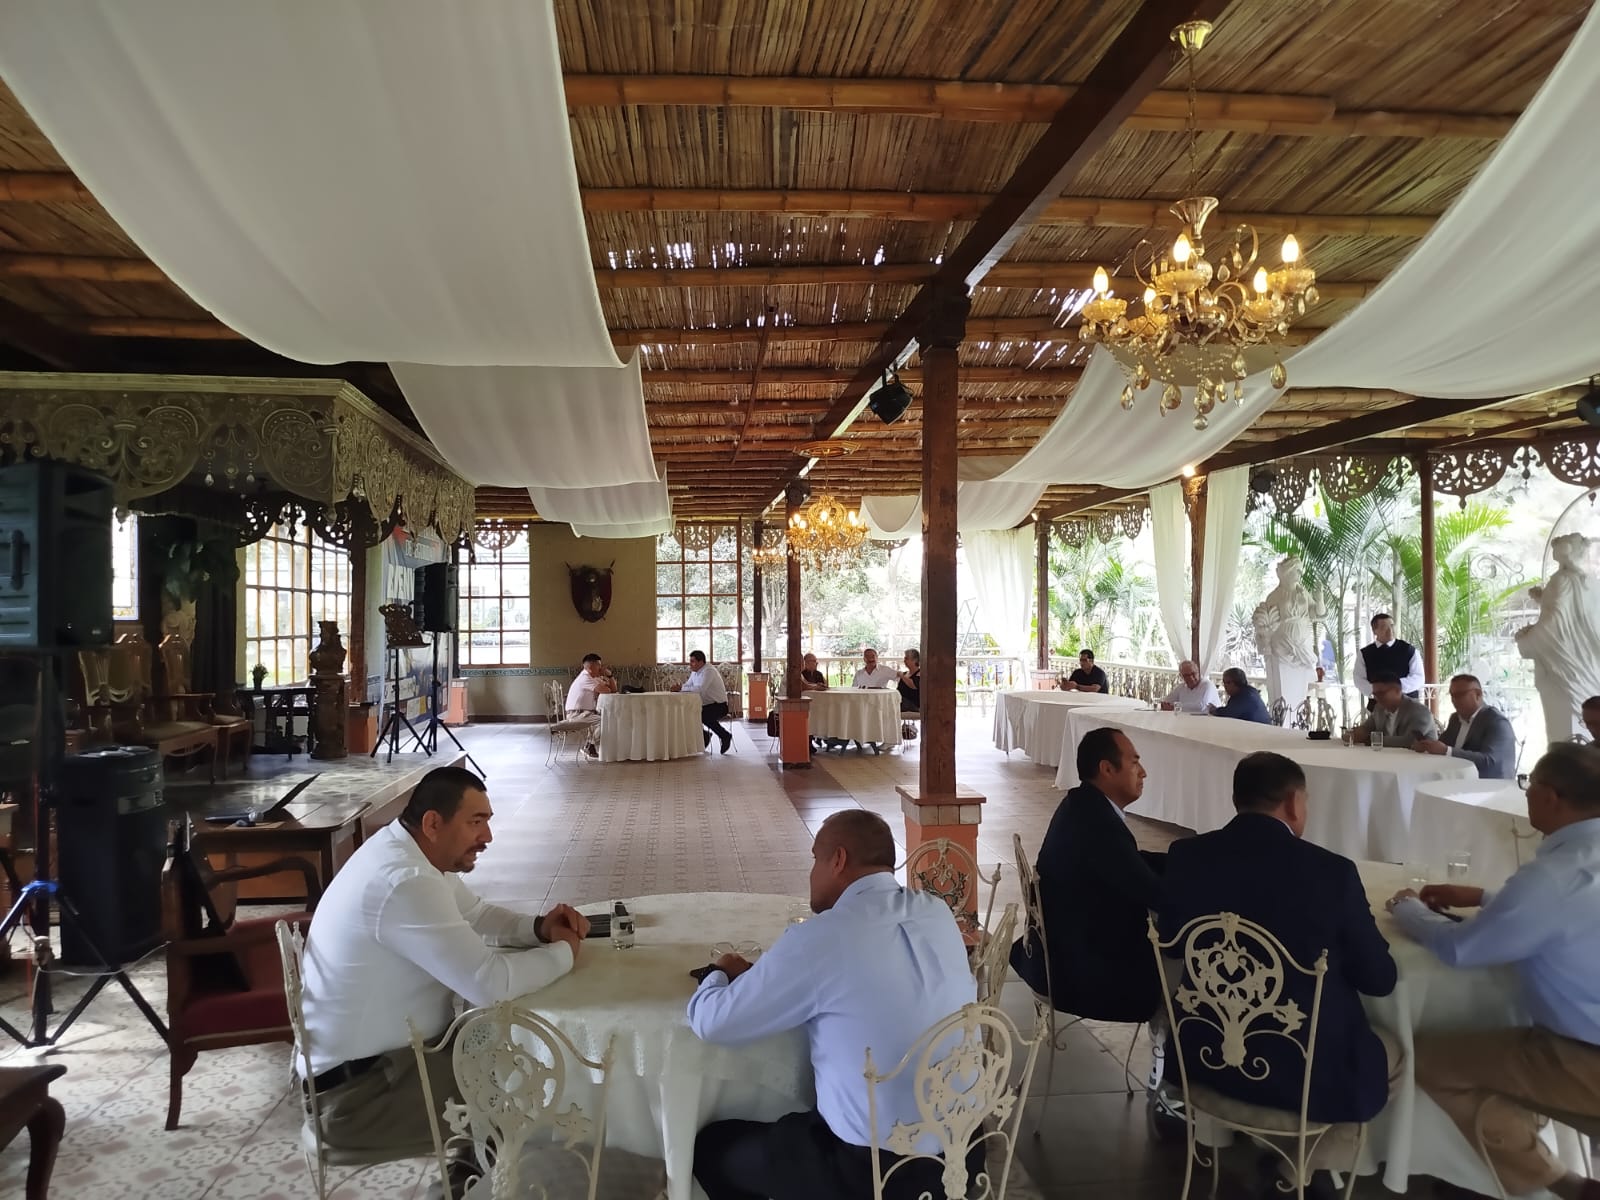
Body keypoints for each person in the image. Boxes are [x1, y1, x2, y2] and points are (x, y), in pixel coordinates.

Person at [298, 767, 589, 1163]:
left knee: (513, 1059)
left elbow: (477, 914)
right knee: (537, 1092)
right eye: (476, 822)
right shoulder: (404, 881)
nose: (487, 836)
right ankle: (488, 1180)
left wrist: (539, 928)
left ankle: (470, 1178)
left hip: (387, 1067)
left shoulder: (408, 851)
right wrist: (566, 951)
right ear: (433, 823)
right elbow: (490, 984)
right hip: (358, 1099)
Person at [689, 811, 978, 1200]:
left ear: (838, 859)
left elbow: (713, 1023)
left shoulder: (821, 938)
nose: (811, 873)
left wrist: (720, 972)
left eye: (815, 859)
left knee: (711, 1146)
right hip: (964, 1155)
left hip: (871, 1174)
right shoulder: (936, 911)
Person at [1159, 752, 1401, 1184]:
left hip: (1203, 1056)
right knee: (1397, 1052)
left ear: (1237, 799)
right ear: (1292, 802)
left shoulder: (1187, 856)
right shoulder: (1331, 873)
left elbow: (1174, 940)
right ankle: (1301, 1168)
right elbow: (1379, 980)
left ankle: (1278, 1157)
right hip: (1300, 1075)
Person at [1386, 744, 1600, 1200]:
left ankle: (1559, 1182)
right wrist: (1485, 897)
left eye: (1529, 785)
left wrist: (1405, 908)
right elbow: (1566, 913)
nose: (1526, 794)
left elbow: (1461, 949)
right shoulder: (1576, 866)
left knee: (1432, 1062)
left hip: (1583, 1060)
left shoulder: (1553, 876)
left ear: (1550, 797)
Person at [1010, 727, 1165, 1023]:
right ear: (1107, 769)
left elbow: (1128, 863)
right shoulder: (1098, 825)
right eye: (1134, 762)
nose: (1143, 772)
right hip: (1081, 974)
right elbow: (1154, 894)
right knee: (1189, 960)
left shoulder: (1081, 804)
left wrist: (1185, 861)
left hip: (1056, 953)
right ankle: (1172, 1051)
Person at [1411, 673, 1517, 779]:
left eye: (1459, 695)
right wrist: (1427, 747)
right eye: (1452, 695)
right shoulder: (1455, 719)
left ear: (1478, 694)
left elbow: (1490, 761)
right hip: (1456, 778)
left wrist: (1446, 751)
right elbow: (1442, 745)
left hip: (1489, 784)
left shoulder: (1497, 722)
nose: (1454, 700)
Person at [1351, 672, 1438, 749]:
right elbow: (1366, 728)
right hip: (1389, 758)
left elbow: (1410, 741)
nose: (1377, 698)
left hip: (1421, 760)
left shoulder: (1419, 711)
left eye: (1381, 693)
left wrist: (1372, 740)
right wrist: (1353, 734)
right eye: (1375, 694)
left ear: (1398, 691)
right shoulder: (1379, 709)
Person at [1354, 613, 1424, 701]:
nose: (1390, 630)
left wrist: (1394, 686)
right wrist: (1375, 689)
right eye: (1384, 627)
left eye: (1392, 626)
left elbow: (1418, 677)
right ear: (1374, 631)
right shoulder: (1364, 653)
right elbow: (1359, 679)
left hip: (1407, 703)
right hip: (1378, 703)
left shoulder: (1409, 650)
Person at [675, 649, 732, 754]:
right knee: (689, 713)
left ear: (700, 662)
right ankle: (706, 735)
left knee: (703, 715)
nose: (690, 664)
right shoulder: (695, 672)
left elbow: (701, 689)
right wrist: (680, 687)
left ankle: (724, 736)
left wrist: (681, 688)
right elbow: (688, 685)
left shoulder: (709, 671)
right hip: (707, 705)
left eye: (692, 661)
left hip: (719, 705)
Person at [564, 652, 616, 759]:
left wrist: (610, 676)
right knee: (606, 721)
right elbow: (607, 691)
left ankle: (589, 746)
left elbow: (613, 690)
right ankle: (589, 746)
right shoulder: (585, 678)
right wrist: (605, 678)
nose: (601, 668)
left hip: (584, 713)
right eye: (599, 665)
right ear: (591, 666)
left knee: (607, 719)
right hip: (576, 714)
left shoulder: (592, 677)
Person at [1208, 667, 1272, 724]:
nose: (1224, 686)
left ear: (1235, 682)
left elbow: (1229, 713)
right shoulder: (1250, 691)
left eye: (1226, 683)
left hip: (1257, 730)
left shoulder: (1244, 697)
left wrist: (1215, 711)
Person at [896, 649, 920, 713]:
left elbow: (914, 685)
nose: (904, 661)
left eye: (906, 658)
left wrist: (902, 676)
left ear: (915, 660)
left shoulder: (920, 673)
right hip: (902, 702)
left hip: (913, 704)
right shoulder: (905, 674)